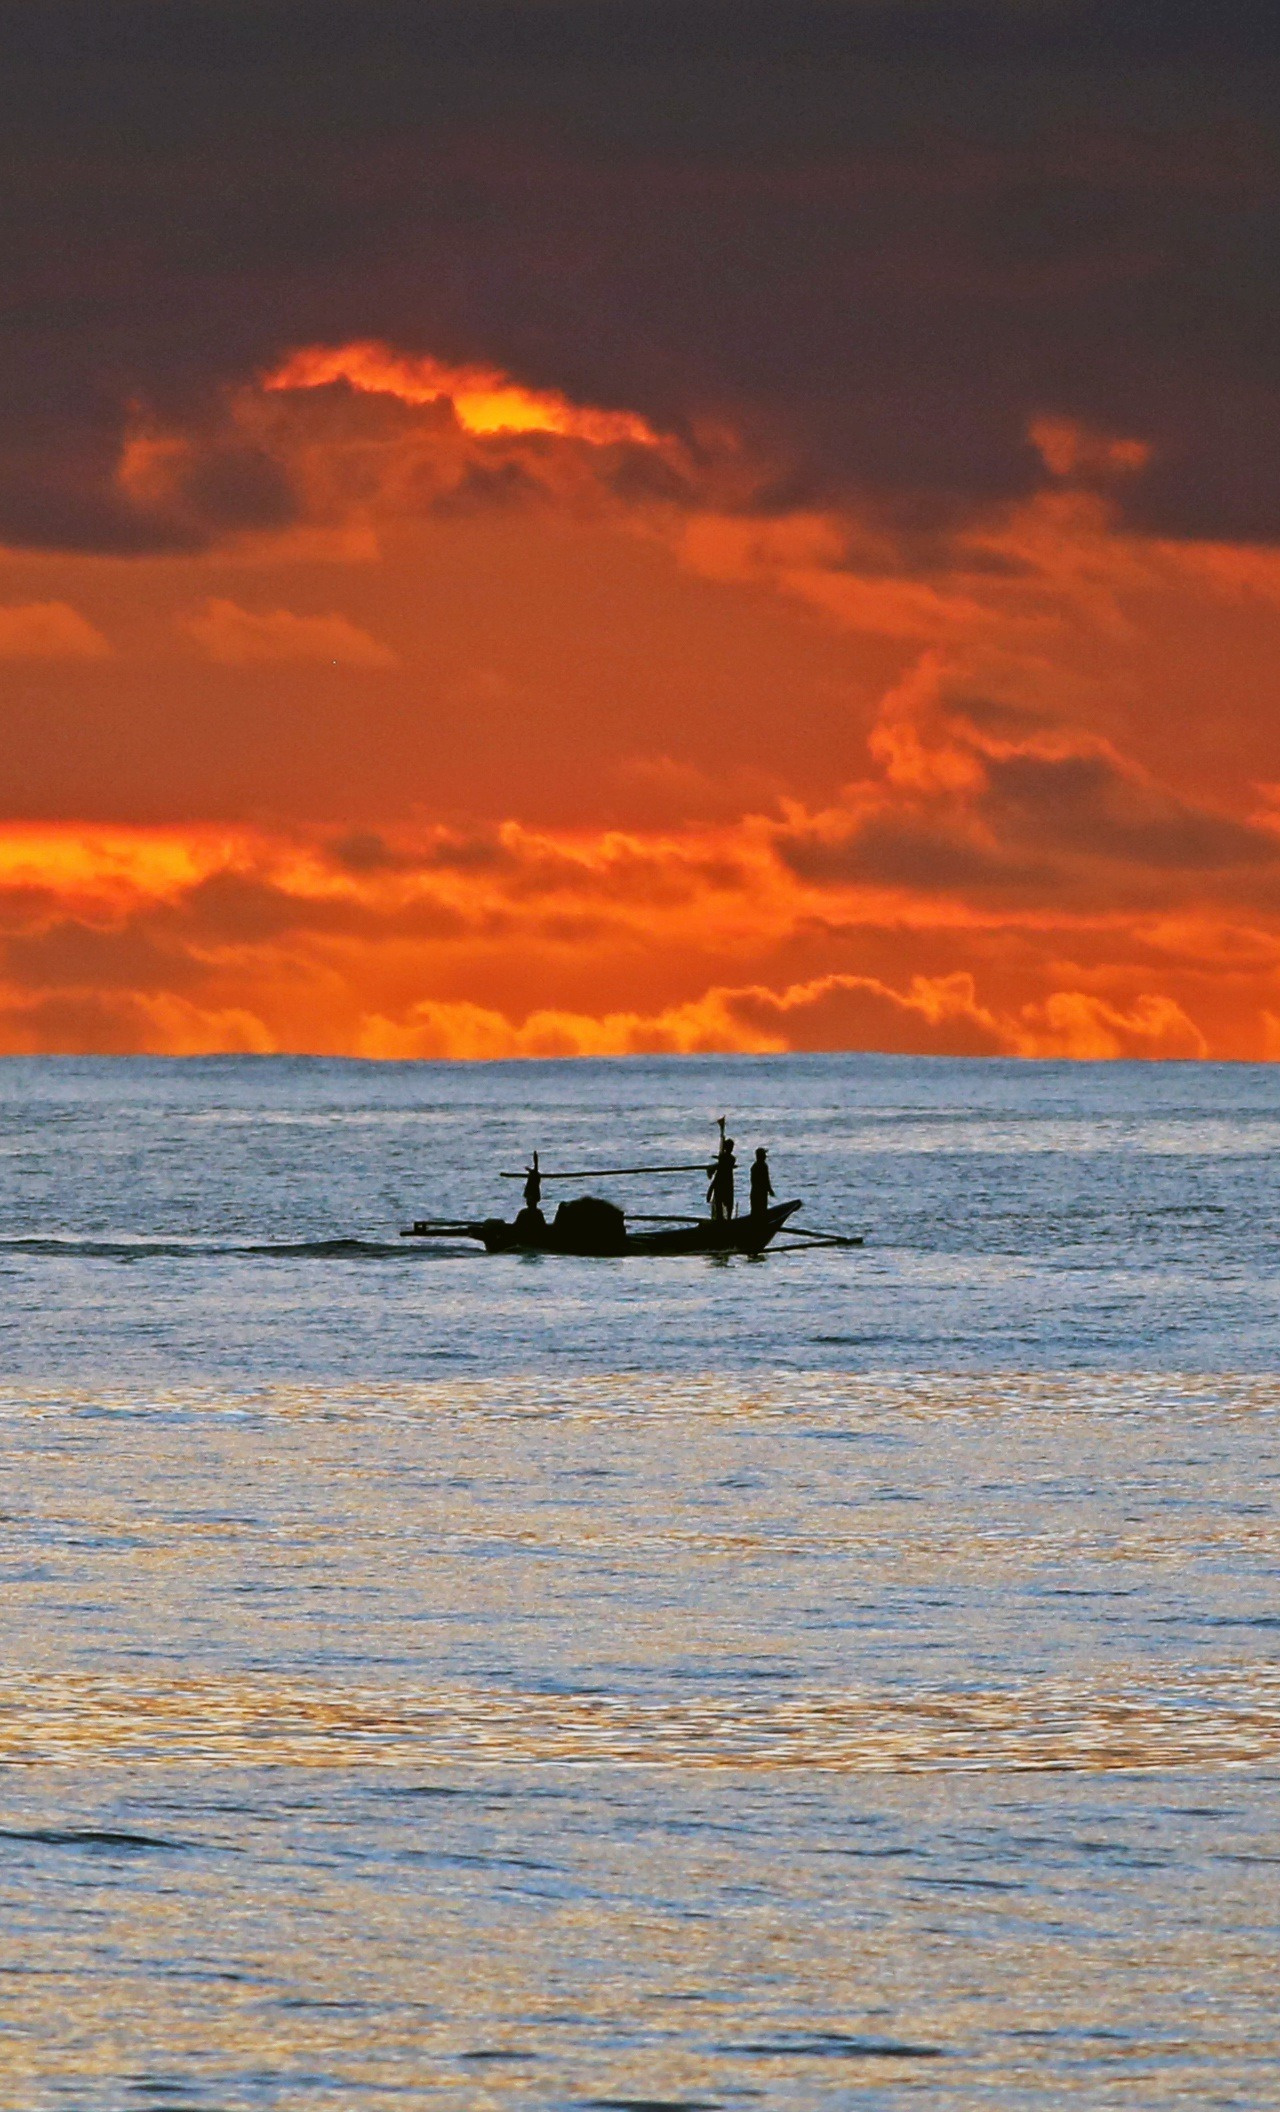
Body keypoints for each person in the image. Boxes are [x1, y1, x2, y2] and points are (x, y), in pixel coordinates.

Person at [707, 1119, 737, 1221]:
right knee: (725, 1204)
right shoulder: (728, 1158)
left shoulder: (729, 1159)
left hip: (724, 1184)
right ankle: (724, 1220)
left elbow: (721, 1167)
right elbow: (721, 1168)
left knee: (726, 1204)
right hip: (725, 1184)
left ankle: (724, 1220)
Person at [749, 1146, 774, 1218]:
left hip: (754, 1192)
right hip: (761, 1193)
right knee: (762, 1211)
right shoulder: (763, 1166)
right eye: (764, 1154)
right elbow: (766, 1180)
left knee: (755, 1212)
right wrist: (770, 1190)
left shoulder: (754, 1166)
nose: (765, 1156)